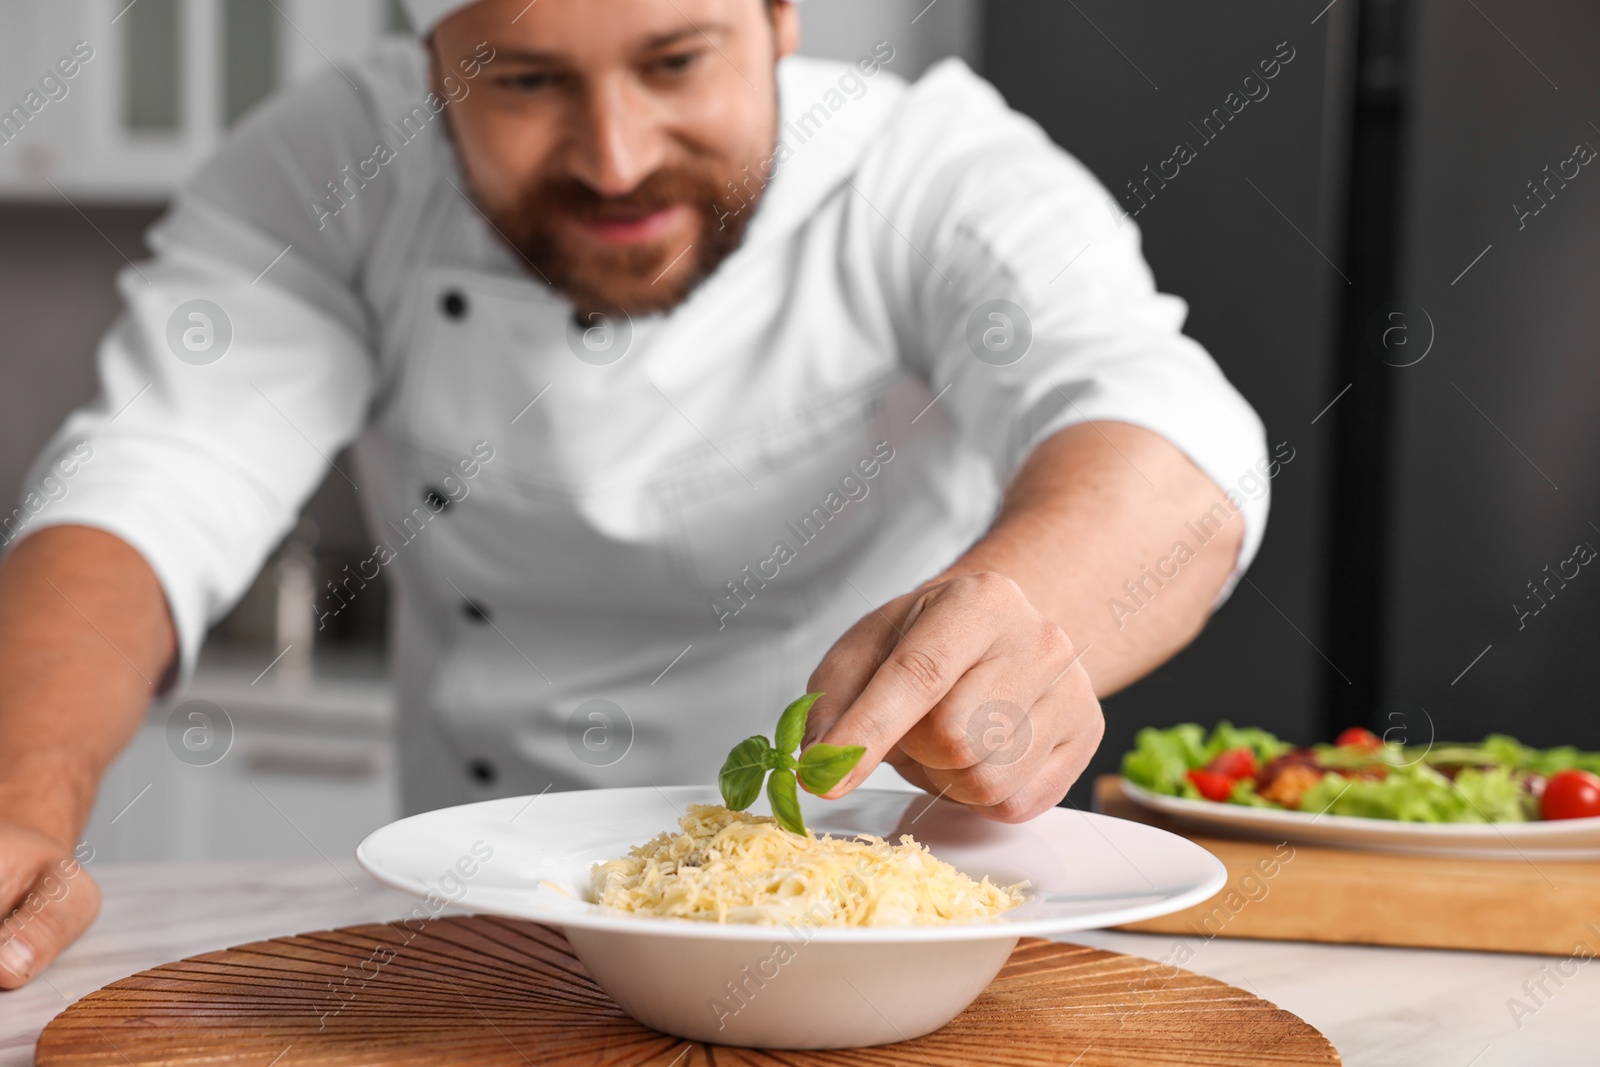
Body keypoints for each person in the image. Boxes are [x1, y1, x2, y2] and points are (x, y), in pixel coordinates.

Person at [0, 0, 1268, 988]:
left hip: (874, 933)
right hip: (475, 929)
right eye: (523, 78)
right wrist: (18, 803)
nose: (613, 159)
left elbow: (1164, 435)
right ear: (432, 55)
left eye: (674, 62)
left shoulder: (924, 169)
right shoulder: (331, 163)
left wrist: (1024, 611)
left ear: (780, 20)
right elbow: (154, 478)